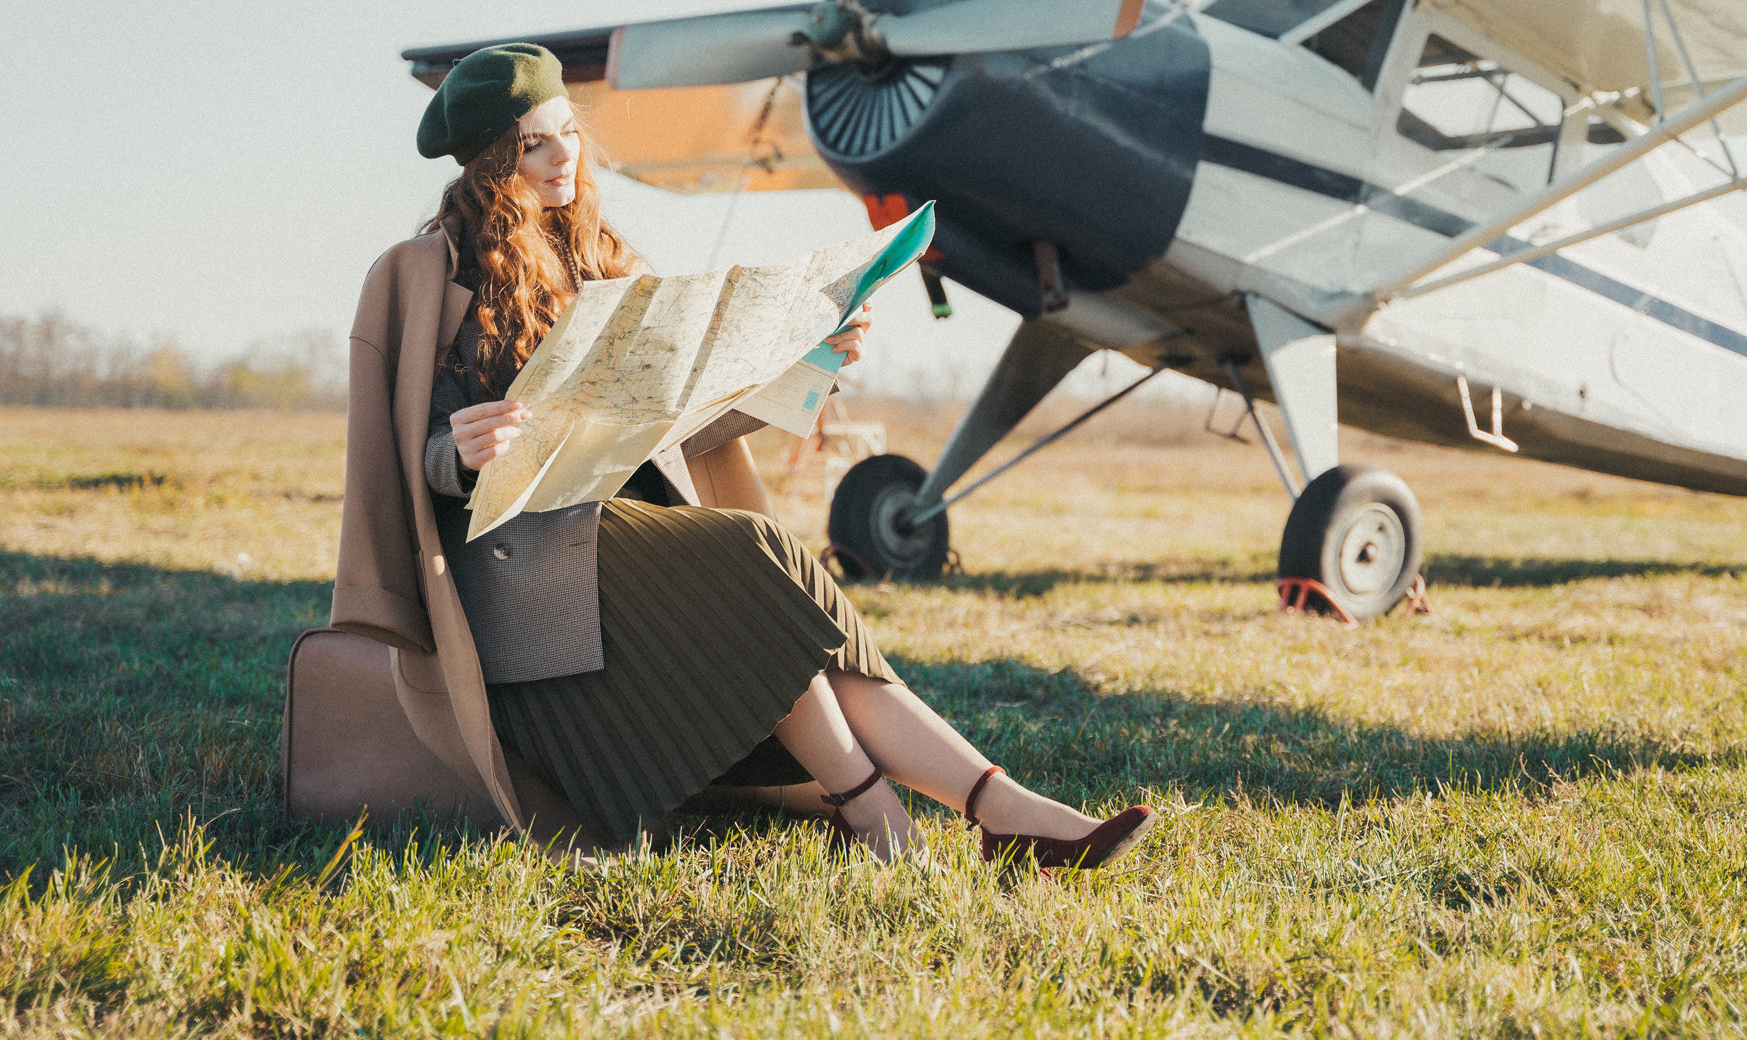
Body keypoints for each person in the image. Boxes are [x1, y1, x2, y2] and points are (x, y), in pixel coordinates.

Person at [331, 42, 1155, 867]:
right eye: (531, 145)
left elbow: (677, 427)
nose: (562, 157)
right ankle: (881, 817)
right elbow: (401, 456)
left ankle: (1000, 806)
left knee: (773, 577)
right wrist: (457, 452)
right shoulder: (425, 273)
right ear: (487, 164)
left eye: (567, 133)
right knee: (751, 552)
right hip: (525, 581)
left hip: (629, 543)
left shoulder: (606, 259)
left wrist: (807, 365)